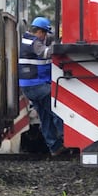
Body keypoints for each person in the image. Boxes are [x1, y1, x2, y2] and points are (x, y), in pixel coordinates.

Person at [19, 16, 65, 156]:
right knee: (58, 110)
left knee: (45, 116)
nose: (45, 36)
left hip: (31, 86)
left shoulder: (27, 40)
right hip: (37, 86)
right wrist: (60, 43)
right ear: (39, 31)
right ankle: (67, 137)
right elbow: (45, 52)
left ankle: (55, 147)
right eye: (44, 33)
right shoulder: (32, 42)